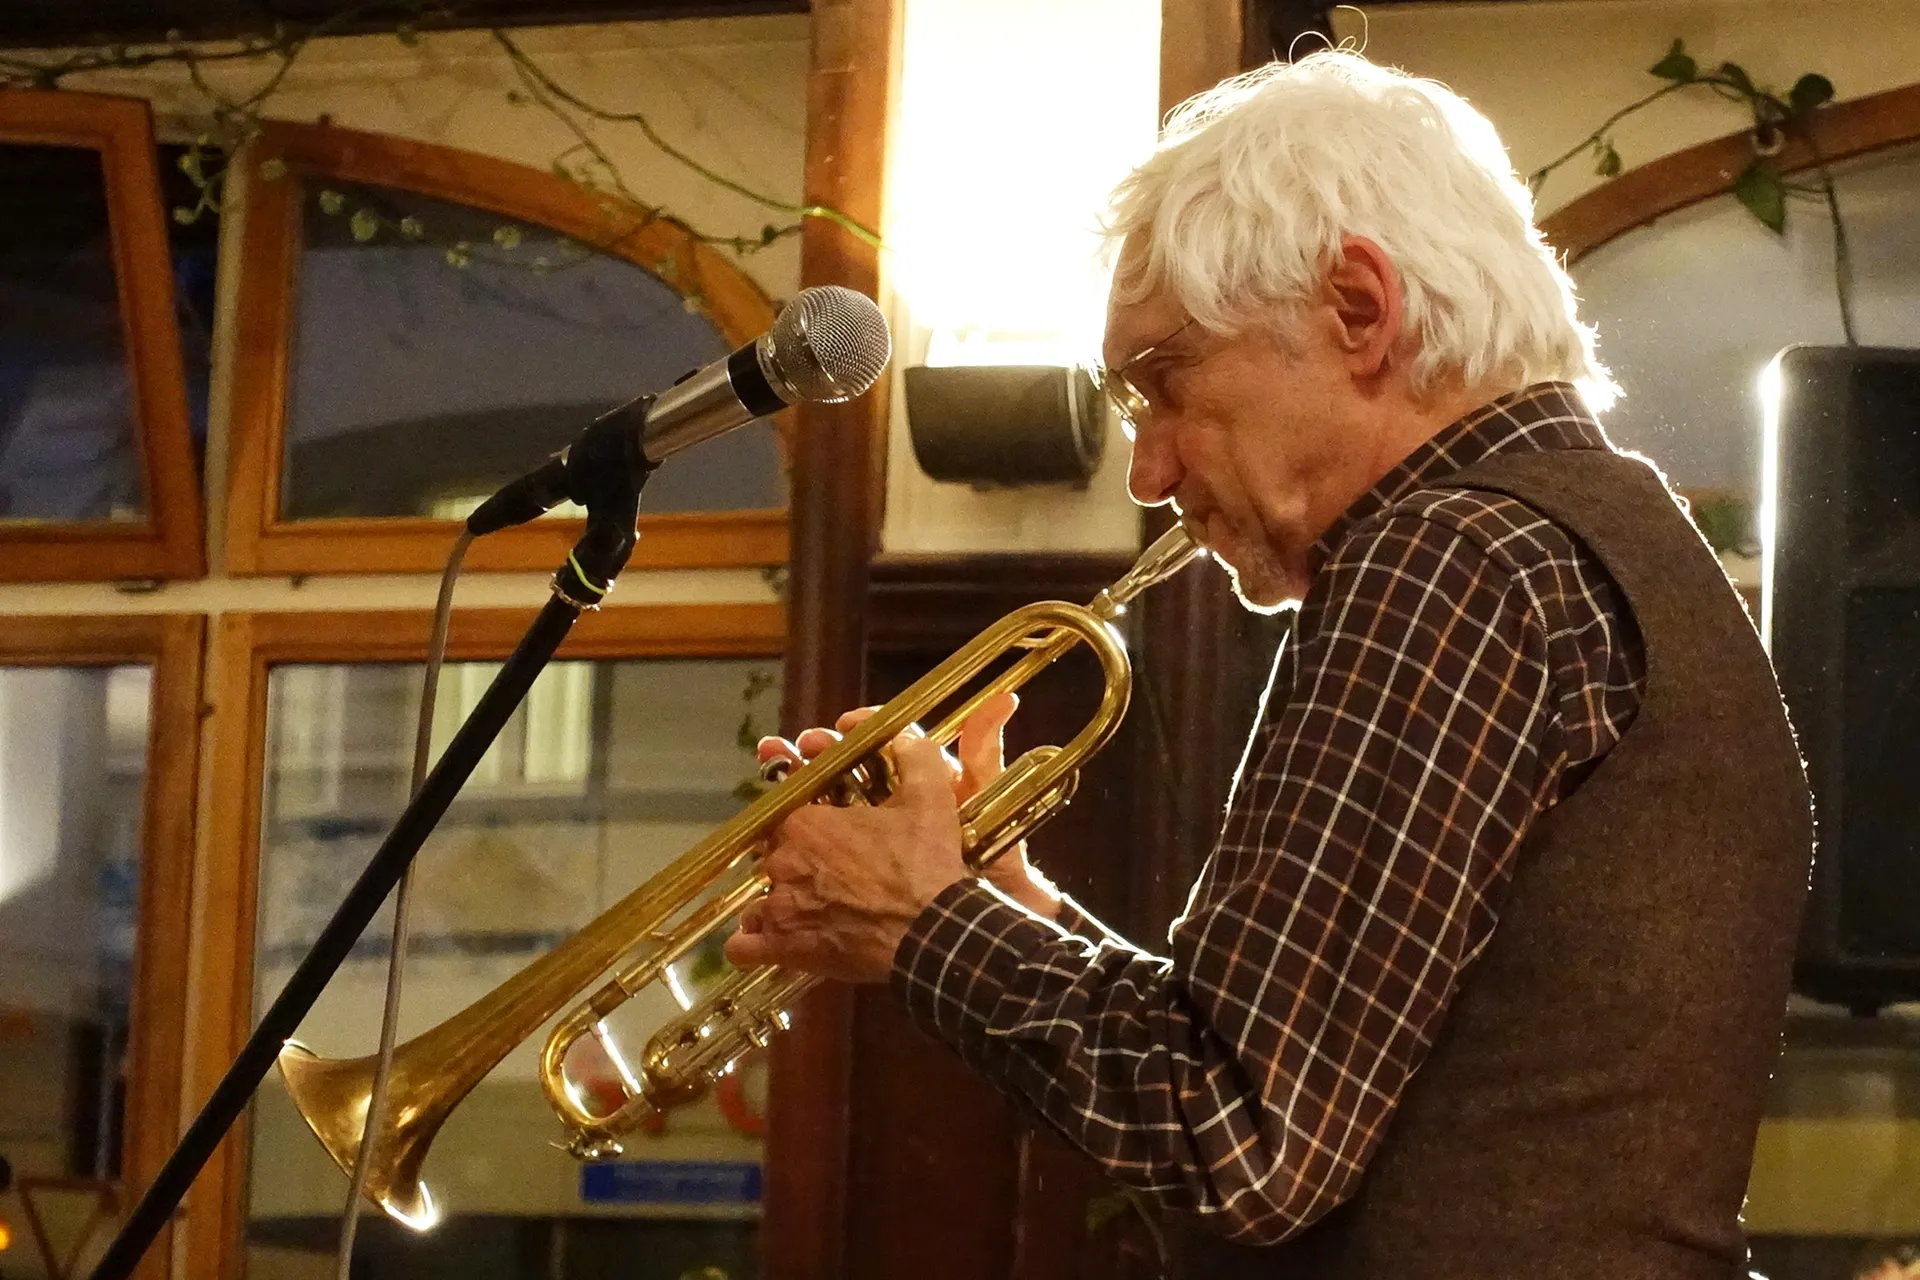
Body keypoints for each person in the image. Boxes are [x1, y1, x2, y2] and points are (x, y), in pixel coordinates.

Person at [725, 50, 1814, 1279]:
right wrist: (1004, 909)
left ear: (1358, 307)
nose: (1148, 470)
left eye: (1163, 385)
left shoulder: (1452, 555)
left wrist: (924, 919)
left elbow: (1239, 1139)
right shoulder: (1607, 528)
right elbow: (1295, 1068)